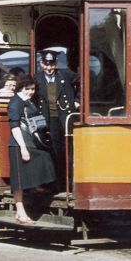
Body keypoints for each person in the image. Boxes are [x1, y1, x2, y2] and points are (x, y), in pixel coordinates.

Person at [7, 75, 55, 224]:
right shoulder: (15, 102)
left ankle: (34, 186)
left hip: (29, 142)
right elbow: (14, 127)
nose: (30, 92)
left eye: (32, 89)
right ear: (21, 88)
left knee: (44, 158)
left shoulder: (26, 101)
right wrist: (23, 148)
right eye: (27, 89)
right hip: (18, 144)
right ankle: (20, 213)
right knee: (19, 182)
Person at [35, 50, 80, 185]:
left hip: (65, 117)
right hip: (49, 120)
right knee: (54, 151)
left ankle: (70, 182)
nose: (49, 68)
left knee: (68, 149)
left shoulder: (65, 74)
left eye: (52, 64)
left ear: (56, 63)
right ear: (41, 64)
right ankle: (56, 183)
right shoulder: (36, 78)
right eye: (46, 64)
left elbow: (84, 81)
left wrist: (78, 100)